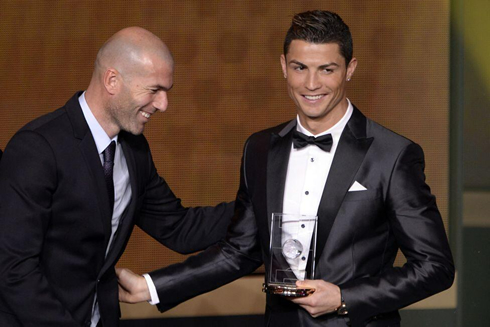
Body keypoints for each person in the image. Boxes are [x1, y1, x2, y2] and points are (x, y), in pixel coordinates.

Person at [116, 11, 455, 327]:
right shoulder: (260, 149)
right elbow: (239, 251)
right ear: (283, 66)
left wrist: (344, 297)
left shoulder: (393, 155)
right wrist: (152, 287)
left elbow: (435, 267)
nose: (311, 84)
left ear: (350, 69)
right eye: (299, 68)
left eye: (327, 69)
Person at [0, 27, 233, 327]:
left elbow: (180, 228)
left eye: (166, 91)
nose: (163, 104)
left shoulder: (134, 150)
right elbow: (14, 270)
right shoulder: (37, 148)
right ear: (112, 80)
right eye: (154, 90)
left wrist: (262, 201)